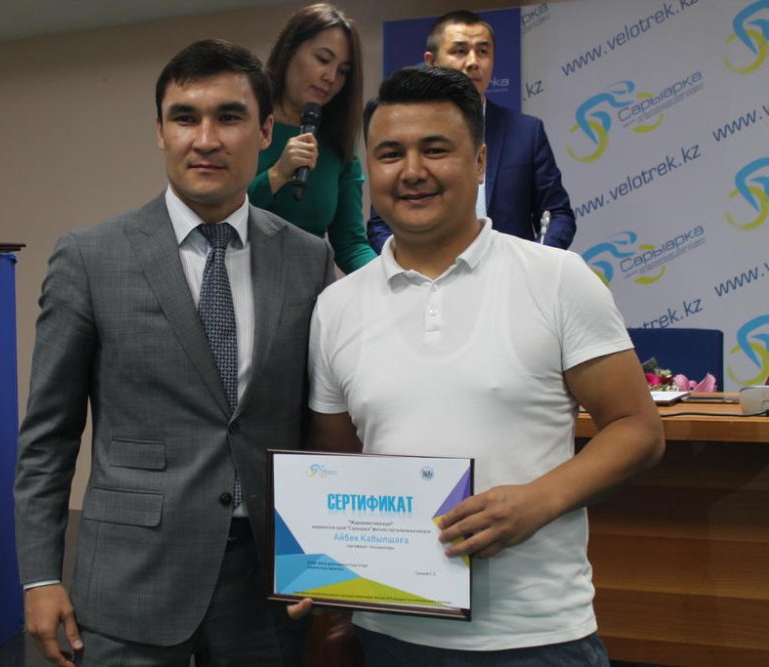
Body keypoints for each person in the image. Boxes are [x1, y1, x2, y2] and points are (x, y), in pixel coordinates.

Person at [307, 66, 664, 664]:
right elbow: (336, 462)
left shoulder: (557, 279)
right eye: (390, 154)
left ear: (478, 163)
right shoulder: (337, 306)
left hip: (535, 636)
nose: (412, 171)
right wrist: (323, 568)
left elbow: (638, 428)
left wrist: (538, 500)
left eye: (435, 149)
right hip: (389, 630)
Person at [14, 39, 330, 667]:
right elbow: (48, 435)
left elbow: (321, 428)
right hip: (131, 577)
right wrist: (40, 576)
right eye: (185, 117)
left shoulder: (309, 258)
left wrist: (329, 557)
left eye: (229, 117)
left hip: (268, 582)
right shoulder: (90, 257)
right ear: (160, 131)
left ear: (266, 130)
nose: (206, 139)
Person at [367, 10, 576, 252]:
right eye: (460, 51)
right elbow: (380, 224)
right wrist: (409, 264)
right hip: (425, 269)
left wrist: (535, 261)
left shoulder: (526, 132)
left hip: (510, 270)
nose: (473, 62)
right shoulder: (402, 131)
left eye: (483, 51)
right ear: (431, 62)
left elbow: (557, 213)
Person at [248, 3, 376, 274]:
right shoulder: (245, 122)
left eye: (343, 71)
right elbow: (215, 214)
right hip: (242, 280)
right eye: (323, 59)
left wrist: (390, 278)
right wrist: (277, 174)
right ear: (289, 50)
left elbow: (350, 244)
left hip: (310, 288)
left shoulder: (338, 142)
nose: (331, 77)